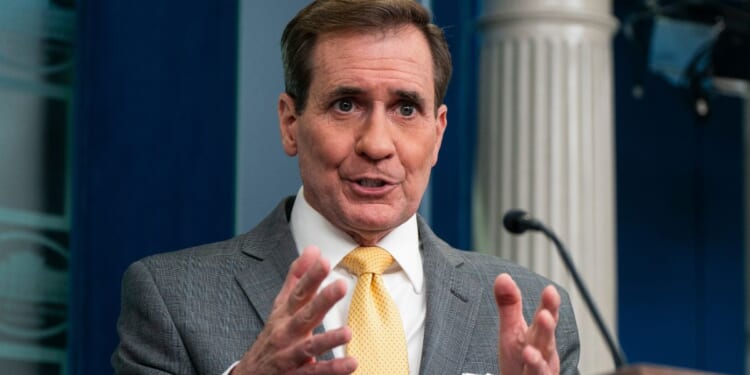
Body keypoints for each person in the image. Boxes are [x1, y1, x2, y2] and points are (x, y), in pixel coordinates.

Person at [112, 1, 580, 374]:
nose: (377, 144)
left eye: (405, 109)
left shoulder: (534, 314)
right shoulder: (172, 296)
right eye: (346, 104)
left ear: (438, 134)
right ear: (290, 123)